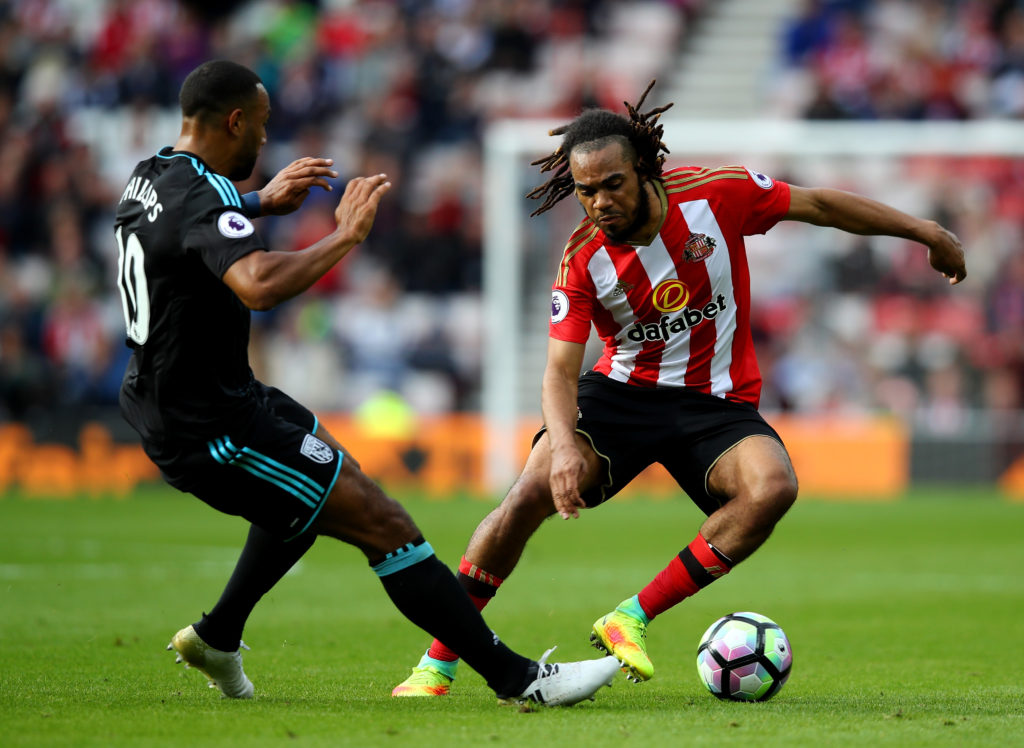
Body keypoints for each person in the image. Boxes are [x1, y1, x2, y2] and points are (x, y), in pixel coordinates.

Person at [391, 81, 967, 695]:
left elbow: (822, 205)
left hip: (715, 403)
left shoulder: (718, 196)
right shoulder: (582, 258)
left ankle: (629, 617)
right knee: (528, 492)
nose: (600, 201)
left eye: (613, 183)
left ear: (643, 169)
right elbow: (560, 371)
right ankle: (438, 660)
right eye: (586, 191)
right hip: (622, 393)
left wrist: (926, 232)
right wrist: (561, 447)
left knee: (773, 487)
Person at [113, 59, 619, 706]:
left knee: (321, 477)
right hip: (209, 425)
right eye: (261, 128)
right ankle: (519, 679)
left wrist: (262, 200)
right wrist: (345, 237)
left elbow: (185, 223)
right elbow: (258, 284)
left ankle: (219, 634)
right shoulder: (197, 195)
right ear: (233, 120)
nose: (265, 143)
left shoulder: (151, 174)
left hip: (204, 396)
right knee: (383, 521)